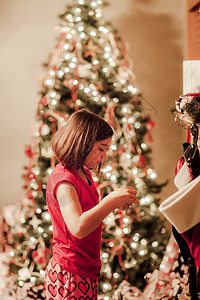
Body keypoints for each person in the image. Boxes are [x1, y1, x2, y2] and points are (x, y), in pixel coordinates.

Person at [44, 109, 139, 300]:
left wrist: (115, 203)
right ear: (82, 143)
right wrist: (110, 201)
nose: (104, 156)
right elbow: (77, 227)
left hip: (85, 269)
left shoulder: (83, 172)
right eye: (101, 148)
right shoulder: (64, 183)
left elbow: (87, 211)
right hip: (70, 272)